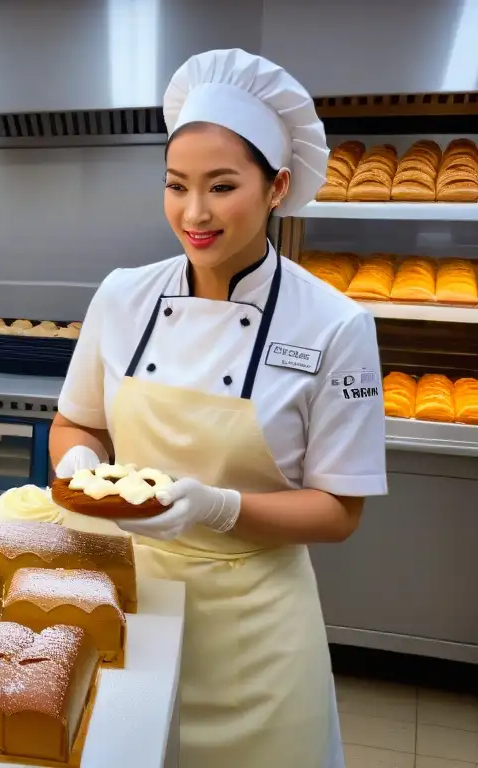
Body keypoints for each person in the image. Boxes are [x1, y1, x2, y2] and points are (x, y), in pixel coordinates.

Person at [51, 49, 386, 768]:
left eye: (222, 186)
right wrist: (79, 461)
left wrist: (217, 507)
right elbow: (76, 421)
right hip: (126, 609)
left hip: (254, 642)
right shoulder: (123, 295)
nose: (194, 213)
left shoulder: (334, 324)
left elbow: (341, 511)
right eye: (176, 186)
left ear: (278, 187)